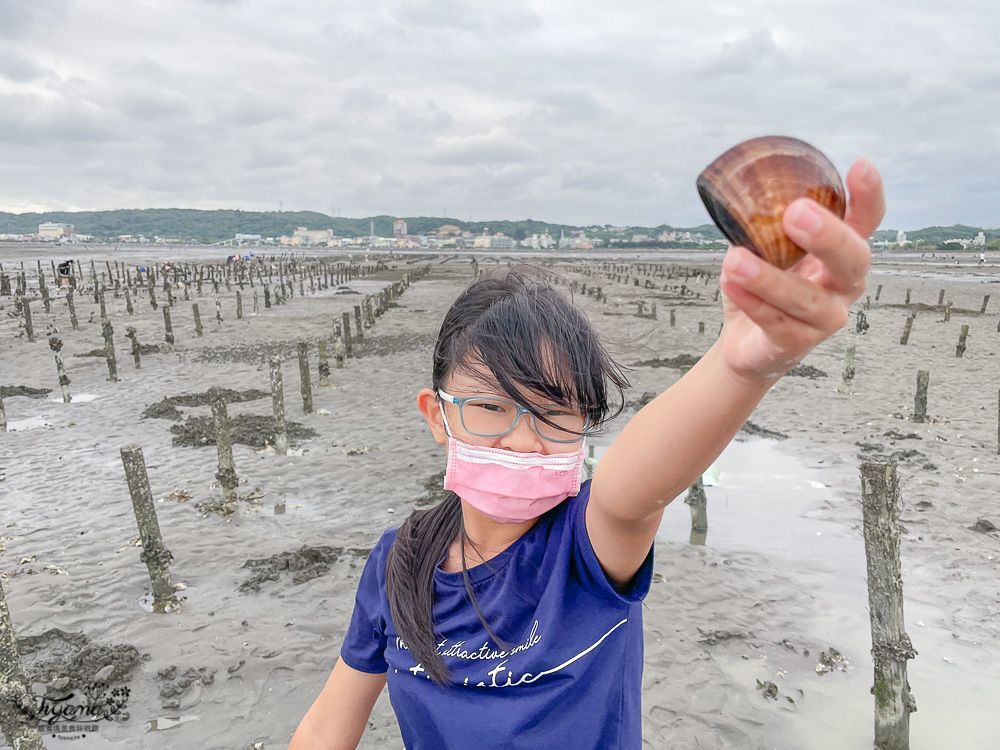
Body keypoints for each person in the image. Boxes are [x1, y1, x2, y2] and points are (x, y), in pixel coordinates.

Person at [288, 158, 884, 750]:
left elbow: (632, 488)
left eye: (553, 413)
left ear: (586, 423)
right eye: (490, 408)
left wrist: (740, 364)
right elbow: (324, 730)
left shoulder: (587, 546)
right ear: (437, 416)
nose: (523, 439)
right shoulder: (400, 561)